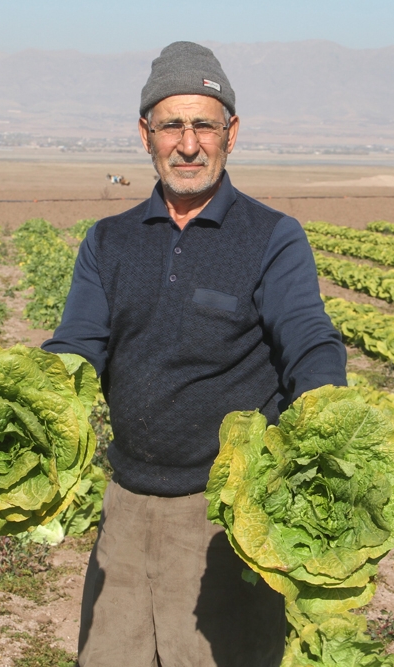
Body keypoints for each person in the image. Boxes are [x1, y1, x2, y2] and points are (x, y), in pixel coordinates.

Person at [42, 40, 347, 667]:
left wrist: (325, 408)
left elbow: (308, 336)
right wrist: (35, 392)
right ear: (144, 135)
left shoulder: (272, 236)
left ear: (231, 133)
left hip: (226, 520)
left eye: (203, 125)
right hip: (125, 507)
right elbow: (77, 344)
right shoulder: (109, 240)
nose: (188, 144)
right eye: (171, 125)